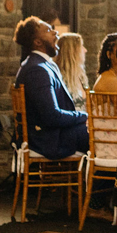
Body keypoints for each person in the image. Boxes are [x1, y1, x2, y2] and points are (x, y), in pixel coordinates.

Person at [12, 17, 89, 160]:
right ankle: (105, 181)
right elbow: (52, 117)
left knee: (103, 134)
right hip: (47, 140)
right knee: (102, 136)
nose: (55, 33)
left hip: (51, 135)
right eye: (48, 30)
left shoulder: (43, 65)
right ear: (38, 42)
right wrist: (83, 116)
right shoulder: (38, 70)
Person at [54, 32, 89, 111]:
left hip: (84, 120)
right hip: (70, 121)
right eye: (81, 46)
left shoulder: (81, 75)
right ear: (72, 51)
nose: (85, 50)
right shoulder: (58, 77)